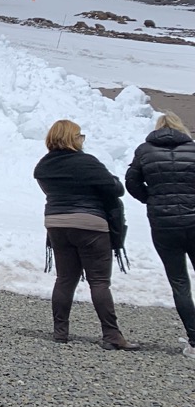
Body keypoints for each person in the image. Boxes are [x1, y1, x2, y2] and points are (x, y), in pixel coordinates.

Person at [34, 118, 139, 350]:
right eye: (79, 135)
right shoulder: (87, 162)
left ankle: (60, 332)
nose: (82, 139)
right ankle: (111, 335)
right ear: (73, 138)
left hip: (56, 224)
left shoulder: (43, 166)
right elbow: (116, 189)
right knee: (99, 281)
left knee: (64, 278)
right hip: (90, 223)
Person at [125, 111, 195, 359]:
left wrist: (151, 199)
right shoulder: (193, 149)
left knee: (179, 282)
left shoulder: (145, 150)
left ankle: (194, 340)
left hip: (163, 224)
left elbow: (131, 182)